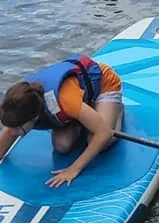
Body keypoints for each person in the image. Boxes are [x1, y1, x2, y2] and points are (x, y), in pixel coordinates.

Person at [0, 55, 124, 188]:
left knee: (101, 141)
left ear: (35, 117)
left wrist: (74, 168)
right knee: (62, 146)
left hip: (103, 84)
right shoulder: (16, 108)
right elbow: (8, 135)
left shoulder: (65, 100)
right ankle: (84, 117)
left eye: (18, 128)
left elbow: (104, 133)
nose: (13, 132)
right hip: (76, 100)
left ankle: (117, 111)